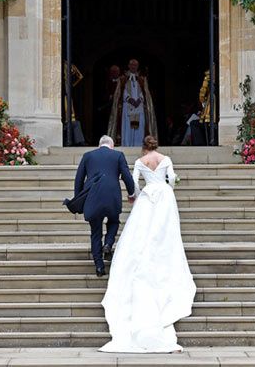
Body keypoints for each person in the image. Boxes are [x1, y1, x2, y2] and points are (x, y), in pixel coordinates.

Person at [99, 135, 196, 353]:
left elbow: (133, 183)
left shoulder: (141, 162)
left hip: (148, 195)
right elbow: (171, 180)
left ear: (144, 147)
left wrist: (134, 196)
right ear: (156, 146)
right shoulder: (166, 158)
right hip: (164, 195)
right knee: (164, 229)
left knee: (142, 229)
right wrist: (171, 183)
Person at [73, 135, 135, 277]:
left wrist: (78, 199)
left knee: (95, 232)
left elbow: (79, 179)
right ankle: (108, 243)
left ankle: (99, 267)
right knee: (113, 221)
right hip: (112, 197)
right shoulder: (118, 155)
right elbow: (127, 176)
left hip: (93, 197)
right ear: (111, 145)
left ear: (99, 144)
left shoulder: (88, 156)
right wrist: (131, 194)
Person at [107, 59, 158, 146]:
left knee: (139, 127)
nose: (134, 67)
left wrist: (139, 99)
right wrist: (129, 99)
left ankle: (138, 144)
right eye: (132, 65)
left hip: (139, 106)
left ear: (137, 66)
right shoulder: (123, 79)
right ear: (129, 66)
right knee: (127, 127)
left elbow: (145, 92)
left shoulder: (142, 79)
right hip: (127, 106)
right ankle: (127, 145)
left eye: (135, 65)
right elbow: (121, 92)